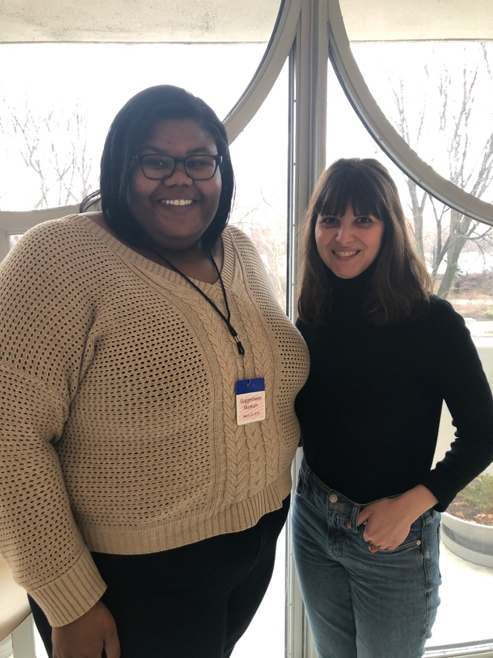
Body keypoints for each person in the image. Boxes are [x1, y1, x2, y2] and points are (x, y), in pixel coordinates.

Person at [0, 85, 309, 658]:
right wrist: (69, 599)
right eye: (155, 161)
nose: (179, 179)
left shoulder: (237, 249)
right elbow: (8, 439)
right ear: (120, 166)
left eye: (199, 161)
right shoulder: (56, 258)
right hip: (133, 580)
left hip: (254, 543)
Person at [292, 158, 493, 658]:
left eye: (363, 220)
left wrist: (411, 506)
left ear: (390, 229)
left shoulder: (432, 322)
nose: (342, 235)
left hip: (393, 539)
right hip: (313, 520)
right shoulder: (313, 314)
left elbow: (485, 433)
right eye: (330, 219)